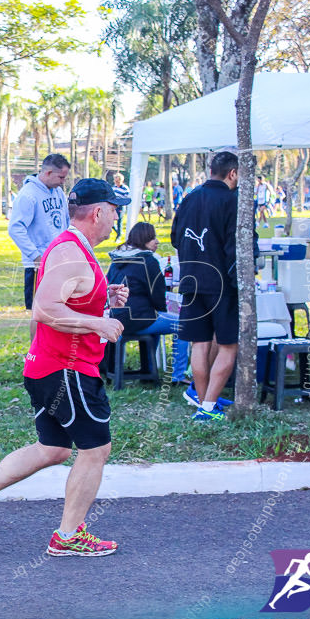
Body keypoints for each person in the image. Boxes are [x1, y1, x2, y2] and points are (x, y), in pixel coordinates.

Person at [0, 178, 129, 556]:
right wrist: (97, 323)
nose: (116, 218)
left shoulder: (71, 248)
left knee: (54, 448)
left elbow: (66, 298)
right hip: (68, 370)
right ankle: (68, 535)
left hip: (49, 367)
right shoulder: (72, 253)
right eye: (114, 210)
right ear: (98, 212)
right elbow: (45, 308)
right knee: (96, 450)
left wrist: (102, 299)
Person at [171, 151, 249, 422]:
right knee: (229, 345)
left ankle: (204, 403)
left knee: (199, 344)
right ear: (233, 173)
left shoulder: (189, 197)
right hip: (222, 284)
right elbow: (236, 246)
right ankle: (207, 405)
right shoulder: (232, 200)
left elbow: (174, 237)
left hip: (191, 280)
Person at [106, 223, 190, 386]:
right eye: (152, 238)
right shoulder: (148, 260)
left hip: (117, 318)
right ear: (144, 239)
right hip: (139, 318)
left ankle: (149, 370)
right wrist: (163, 310)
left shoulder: (117, 259)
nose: (157, 241)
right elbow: (157, 294)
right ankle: (177, 375)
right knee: (183, 325)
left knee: (156, 323)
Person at [7, 154, 70, 338]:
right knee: (39, 311)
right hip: (38, 265)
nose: (63, 182)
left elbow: (64, 222)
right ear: (48, 172)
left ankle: (54, 350)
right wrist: (36, 256)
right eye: (61, 177)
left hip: (60, 259)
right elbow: (15, 228)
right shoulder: (28, 195)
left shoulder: (58, 192)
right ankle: (35, 352)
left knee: (61, 308)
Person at [111, 173, 130, 241]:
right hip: (114, 206)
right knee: (111, 221)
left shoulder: (125, 188)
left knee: (119, 221)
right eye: (115, 181)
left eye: (118, 181)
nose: (117, 182)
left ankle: (118, 236)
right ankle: (118, 232)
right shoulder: (113, 188)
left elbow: (127, 197)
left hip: (121, 206)